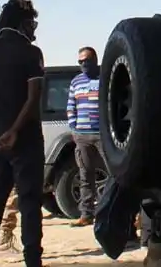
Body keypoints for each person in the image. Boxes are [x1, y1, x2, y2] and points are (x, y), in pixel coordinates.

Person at [0, 0, 45, 267]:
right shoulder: (31, 52)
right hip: (24, 138)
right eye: (33, 22)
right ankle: (32, 261)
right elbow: (33, 97)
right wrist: (15, 130)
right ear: (23, 23)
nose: (35, 29)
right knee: (29, 204)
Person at [66, 46, 106, 227]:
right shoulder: (76, 82)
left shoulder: (105, 77)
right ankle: (86, 214)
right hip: (82, 135)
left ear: (95, 60)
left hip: (103, 135)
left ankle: (111, 213)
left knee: (115, 174)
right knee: (85, 174)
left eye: (86, 61)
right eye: (80, 61)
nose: (83, 64)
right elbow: (70, 106)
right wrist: (74, 128)